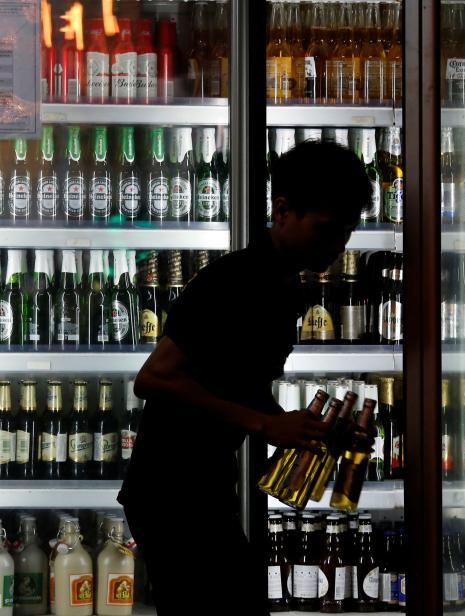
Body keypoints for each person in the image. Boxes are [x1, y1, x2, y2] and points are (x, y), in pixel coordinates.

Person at [118, 140, 373, 615]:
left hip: (202, 484)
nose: (339, 242)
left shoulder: (282, 285)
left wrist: (302, 428)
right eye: (326, 227)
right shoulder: (235, 280)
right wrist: (266, 426)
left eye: (348, 230)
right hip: (172, 491)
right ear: (282, 210)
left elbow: (236, 385)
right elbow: (154, 379)